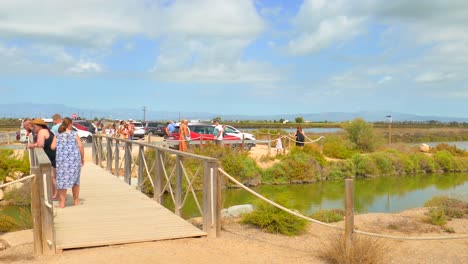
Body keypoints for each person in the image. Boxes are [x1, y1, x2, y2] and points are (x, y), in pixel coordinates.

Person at [51, 117, 84, 208]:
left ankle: (62, 203)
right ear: (69, 124)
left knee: (62, 181)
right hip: (74, 160)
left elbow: (53, 147)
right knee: (75, 181)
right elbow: (81, 146)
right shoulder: (74, 134)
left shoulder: (57, 135)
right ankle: (76, 201)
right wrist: (82, 158)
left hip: (62, 161)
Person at [28, 118, 58, 199]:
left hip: (51, 157)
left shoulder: (41, 132)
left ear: (39, 126)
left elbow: (41, 144)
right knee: (53, 176)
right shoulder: (46, 130)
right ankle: (55, 193)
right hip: (53, 155)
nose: (34, 129)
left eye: (34, 127)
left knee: (52, 176)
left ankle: (56, 194)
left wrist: (33, 145)